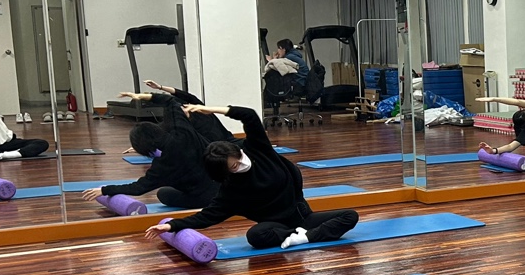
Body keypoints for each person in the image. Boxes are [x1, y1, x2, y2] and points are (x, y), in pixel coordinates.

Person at [143, 104, 359, 250]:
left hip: (303, 216)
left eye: (239, 157)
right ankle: (296, 234)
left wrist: (212, 109)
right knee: (255, 236)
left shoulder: (258, 149)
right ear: (226, 173)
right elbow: (206, 217)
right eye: (234, 166)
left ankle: (305, 237)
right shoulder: (230, 192)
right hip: (276, 226)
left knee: (350, 216)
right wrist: (171, 226)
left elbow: (249, 116)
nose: (242, 163)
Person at [81, 93, 219, 210]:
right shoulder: (181, 131)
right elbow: (171, 101)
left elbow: (138, 188)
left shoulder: (162, 166)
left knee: (163, 193)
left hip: (207, 198)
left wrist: (104, 190)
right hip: (225, 186)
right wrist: (145, 96)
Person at [142, 81, 235, 144]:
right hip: (216, 151)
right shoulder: (181, 127)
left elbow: (185, 95)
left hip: (230, 141)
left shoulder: (200, 110)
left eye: (184, 107)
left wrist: (160, 87)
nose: (184, 110)